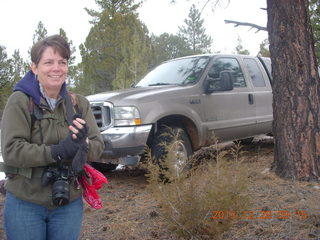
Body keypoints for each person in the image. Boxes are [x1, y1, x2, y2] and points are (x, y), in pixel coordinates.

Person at [0, 35, 104, 240]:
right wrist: (58, 151)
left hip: (69, 201)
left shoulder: (78, 103)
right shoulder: (20, 101)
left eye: (62, 62)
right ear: (34, 67)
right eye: (48, 62)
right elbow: (11, 150)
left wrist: (82, 145)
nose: (56, 68)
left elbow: (98, 146)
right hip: (25, 202)